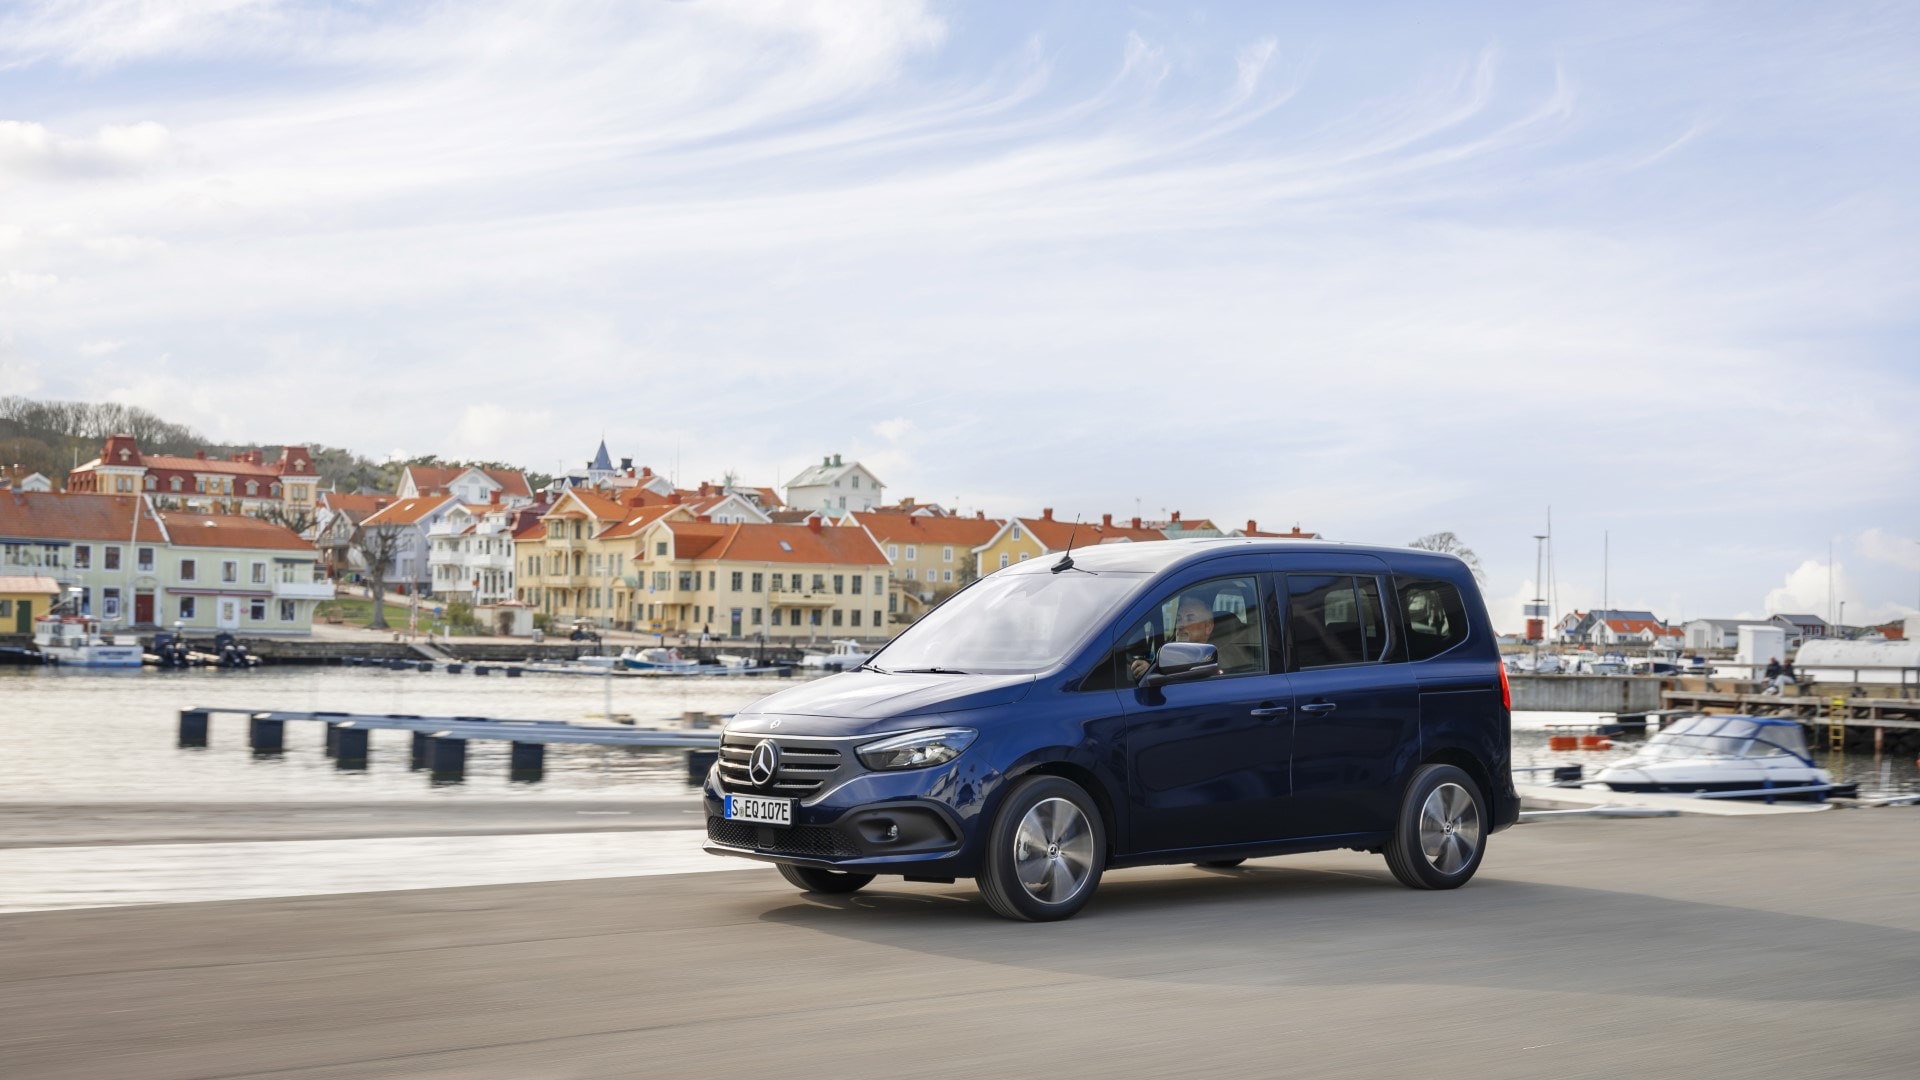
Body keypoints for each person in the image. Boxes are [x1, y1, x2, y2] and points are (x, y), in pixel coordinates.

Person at [1130, 595, 1216, 681]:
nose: (1181, 625)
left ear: (1208, 627)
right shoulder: (1172, 653)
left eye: (1190, 619)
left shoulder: (1219, 659)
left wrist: (1154, 674)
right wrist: (1150, 669)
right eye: (1179, 619)